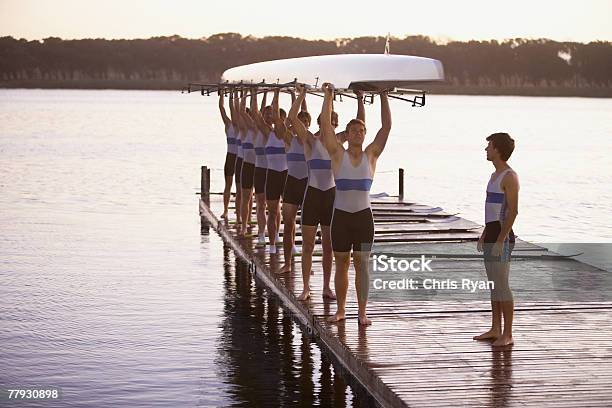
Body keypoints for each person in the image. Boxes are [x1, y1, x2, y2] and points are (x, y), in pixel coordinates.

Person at [319, 83, 390, 326]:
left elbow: (386, 127)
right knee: (342, 264)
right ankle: (341, 310)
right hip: (340, 218)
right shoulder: (337, 154)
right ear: (347, 135)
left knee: (362, 266)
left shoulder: (372, 154)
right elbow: (326, 127)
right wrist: (328, 96)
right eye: (354, 131)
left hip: (363, 219)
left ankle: (362, 312)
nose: (358, 133)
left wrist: (383, 97)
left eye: (361, 130)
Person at [474, 132, 519, 347]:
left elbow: (512, 212)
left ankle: (508, 333)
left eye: (489, 146)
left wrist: (501, 239)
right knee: (494, 284)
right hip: (492, 232)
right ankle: (495, 328)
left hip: (503, 235)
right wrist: (485, 234)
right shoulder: (493, 176)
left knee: (502, 284)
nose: (486, 150)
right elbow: (490, 209)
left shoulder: (510, 176)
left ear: (498, 150)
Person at [273, 88, 308, 273]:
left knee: (308, 230)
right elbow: (279, 122)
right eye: (299, 122)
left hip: (308, 185)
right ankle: (287, 263)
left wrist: (303, 96)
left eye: (305, 122)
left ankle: (306, 264)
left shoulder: (314, 140)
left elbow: (327, 123)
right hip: (292, 183)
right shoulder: (289, 139)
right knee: (288, 226)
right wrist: (293, 95)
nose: (302, 125)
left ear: (308, 125)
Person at [252, 89, 287, 254]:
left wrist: (296, 95)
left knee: (285, 212)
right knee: (272, 211)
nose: (277, 121)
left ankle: (283, 239)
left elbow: (301, 114)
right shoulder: (267, 133)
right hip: (271, 174)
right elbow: (256, 114)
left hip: (286, 176)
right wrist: (274, 93)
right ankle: (272, 243)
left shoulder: (290, 136)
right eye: (275, 118)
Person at [250, 89, 269, 246]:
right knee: (261, 204)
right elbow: (257, 113)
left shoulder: (278, 132)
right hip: (260, 171)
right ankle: (262, 233)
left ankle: (275, 235)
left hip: (275, 173)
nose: (268, 117)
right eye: (266, 115)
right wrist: (256, 94)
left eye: (271, 115)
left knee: (276, 208)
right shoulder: (256, 129)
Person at [237, 91, 257, 236]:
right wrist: (245, 94)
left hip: (260, 168)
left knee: (256, 198)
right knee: (246, 196)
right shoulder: (243, 130)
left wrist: (256, 95)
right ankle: (244, 225)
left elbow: (257, 110)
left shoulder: (259, 131)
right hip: (247, 166)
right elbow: (241, 111)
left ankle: (250, 221)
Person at [217, 90, 236, 219]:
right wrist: (224, 94)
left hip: (242, 158)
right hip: (230, 157)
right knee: (228, 185)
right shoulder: (229, 125)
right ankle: (225, 210)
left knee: (243, 188)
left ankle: (240, 211)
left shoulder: (246, 128)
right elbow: (222, 108)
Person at [231, 89, 244, 225]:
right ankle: (240, 218)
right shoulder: (237, 129)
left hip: (257, 166)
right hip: (239, 161)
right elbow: (235, 112)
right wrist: (234, 96)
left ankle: (242, 217)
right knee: (239, 191)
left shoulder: (258, 130)